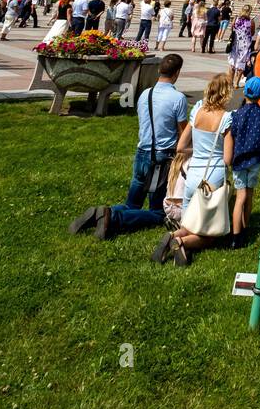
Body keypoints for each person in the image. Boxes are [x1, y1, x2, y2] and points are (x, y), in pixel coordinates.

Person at [69, 53, 188, 240]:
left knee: (133, 204)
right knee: (158, 213)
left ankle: (100, 212)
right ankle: (113, 217)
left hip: (141, 152)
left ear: (159, 70)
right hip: (160, 158)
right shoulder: (178, 98)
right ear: (177, 73)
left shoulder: (145, 94)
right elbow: (184, 131)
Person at [157, 74, 234, 266]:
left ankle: (173, 235)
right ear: (226, 94)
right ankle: (180, 242)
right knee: (210, 233)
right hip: (212, 179)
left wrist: (198, 149)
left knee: (188, 223)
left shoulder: (197, 111)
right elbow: (227, 159)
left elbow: (181, 147)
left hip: (192, 176)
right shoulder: (226, 119)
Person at [229, 75, 260, 249]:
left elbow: (232, 136)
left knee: (239, 197)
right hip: (255, 159)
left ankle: (235, 235)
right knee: (249, 194)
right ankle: (245, 227)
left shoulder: (236, 114)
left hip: (239, 159)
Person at [228, 4, 255, 89]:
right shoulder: (251, 21)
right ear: (249, 12)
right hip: (245, 45)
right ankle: (236, 83)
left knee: (233, 63)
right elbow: (252, 33)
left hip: (235, 44)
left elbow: (231, 28)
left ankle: (230, 82)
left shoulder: (236, 19)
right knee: (241, 64)